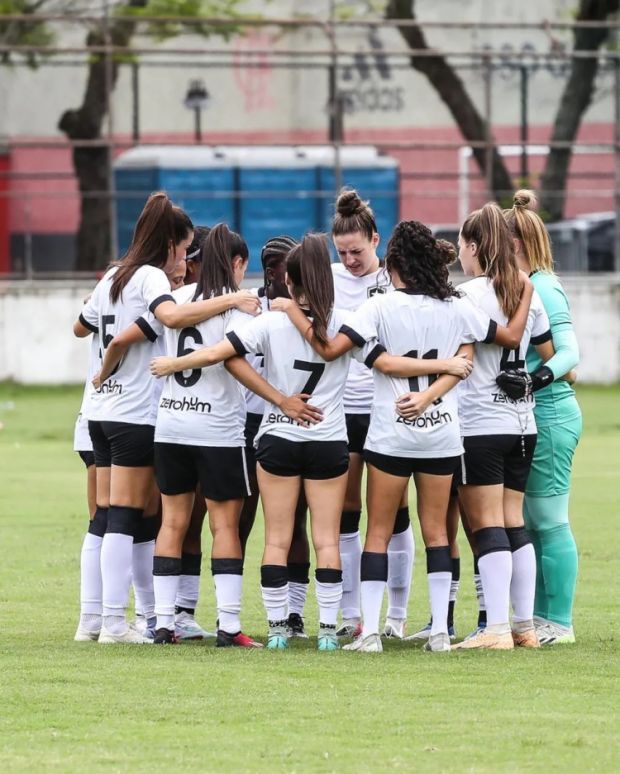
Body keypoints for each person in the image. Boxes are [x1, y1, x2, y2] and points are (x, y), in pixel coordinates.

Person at [276, 220, 534, 654]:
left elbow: (330, 348)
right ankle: (438, 633)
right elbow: (503, 336)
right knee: (437, 533)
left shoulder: (379, 307)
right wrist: (525, 292)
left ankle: (372, 632)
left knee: (377, 532)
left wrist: (291, 313)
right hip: (441, 434)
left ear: (393, 264)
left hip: (391, 434)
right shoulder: (455, 305)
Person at [73, 192, 260, 644]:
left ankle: (91, 620)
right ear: (170, 243)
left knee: (104, 519)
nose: (184, 259)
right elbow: (173, 317)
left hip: (98, 411)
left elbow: (80, 326)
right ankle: (116, 622)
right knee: (126, 517)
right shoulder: (151, 276)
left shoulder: (113, 276)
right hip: (134, 413)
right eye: (182, 248)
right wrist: (232, 298)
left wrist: (117, 336)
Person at [146, 224, 321, 647]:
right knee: (225, 526)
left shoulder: (178, 300)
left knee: (172, 522)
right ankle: (228, 627)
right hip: (218, 430)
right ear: (237, 263)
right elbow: (234, 363)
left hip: (170, 424)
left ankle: (164, 623)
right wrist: (281, 399)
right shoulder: (242, 308)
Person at [453, 202, 554, 651]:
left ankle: (495, 630)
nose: (458, 253)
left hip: (480, 422)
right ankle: (524, 626)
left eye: (460, 244)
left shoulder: (469, 295)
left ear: (473, 246)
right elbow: (544, 350)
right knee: (514, 520)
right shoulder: (526, 289)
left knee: (486, 523)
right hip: (522, 422)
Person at [330, 189, 414, 640]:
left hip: (389, 408)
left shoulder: (395, 282)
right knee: (346, 510)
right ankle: (349, 613)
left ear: (376, 241)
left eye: (358, 251)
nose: (350, 260)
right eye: (342, 252)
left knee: (394, 513)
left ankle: (396, 617)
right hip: (342, 410)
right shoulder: (328, 278)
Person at [503, 190, 581, 645]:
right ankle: (536, 617)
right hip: (532, 418)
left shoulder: (545, 287)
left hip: (550, 416)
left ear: (514, 244)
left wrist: (538, 378)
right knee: (530, 522)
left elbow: (571, 353)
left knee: (549, 520)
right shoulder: (526, 284)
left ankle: (560, 621)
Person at [239, 235, 312, 638]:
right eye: (291, 270)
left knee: (293, 520)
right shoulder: (247, 307)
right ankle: (228, 614)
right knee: (242, 518)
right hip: (250, 421)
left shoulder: (305, 310)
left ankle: (295, 614)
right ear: (272, 273)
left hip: (292, 423)